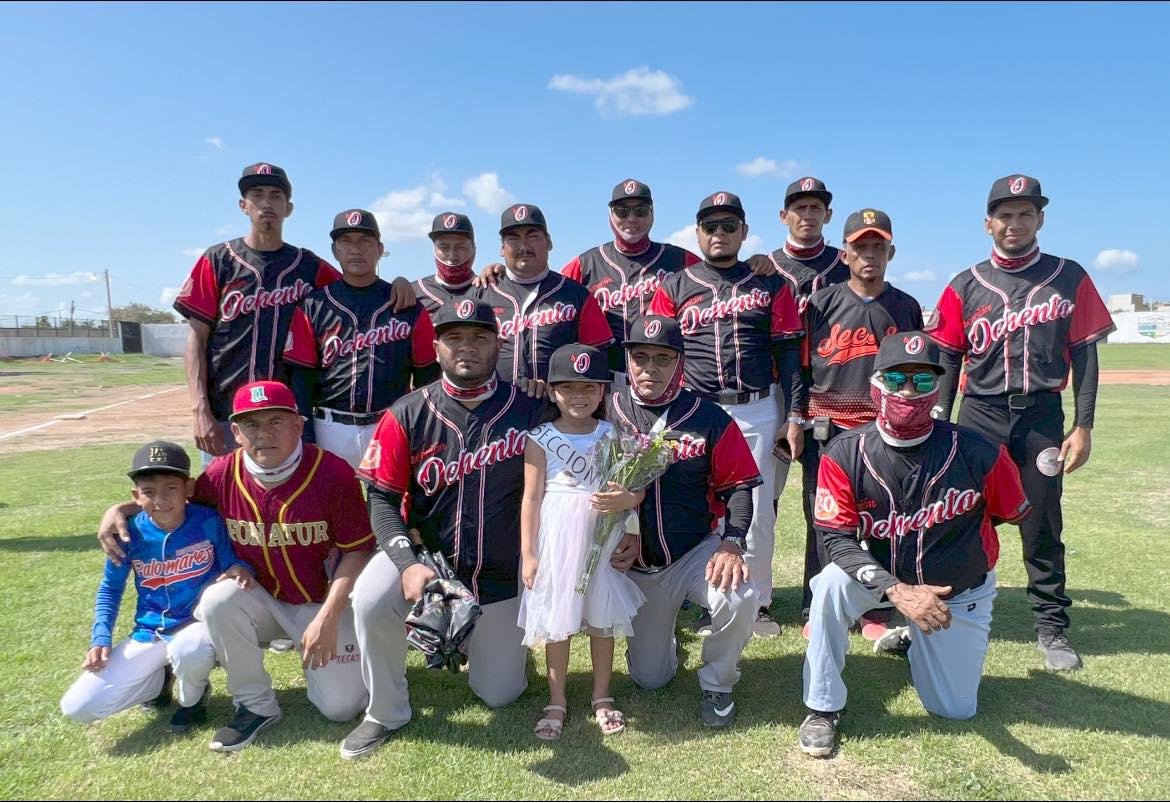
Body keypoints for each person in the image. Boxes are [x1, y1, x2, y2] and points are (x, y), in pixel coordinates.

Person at [98, 381, 376, 752]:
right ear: (236, 432)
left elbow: (356, 551)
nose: (263, 434)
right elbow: (168, 498)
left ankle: (336, 651)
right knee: (218, 598)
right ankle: (255, 705)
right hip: (258, 601)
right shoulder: (219, 475)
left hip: (320, 602)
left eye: (276, 421)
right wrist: (122, 508)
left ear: (298, 424)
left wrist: (328, 618)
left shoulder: (332, 472)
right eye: (251, 425)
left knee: (341, 708)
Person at [342, 300, 558, 760]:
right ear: (436, 347)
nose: (467, 347)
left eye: (479, 337)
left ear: (499, 345)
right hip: (429, 560)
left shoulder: (533, 410)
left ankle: (476, 643)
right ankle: (385, 711)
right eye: (454, 337)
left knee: (500, 694)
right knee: (369, 598)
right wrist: (405, 562)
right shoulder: (406, 412)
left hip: (501, 572)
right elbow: (380, 498)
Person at [798, 333, 1029, 757]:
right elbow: (835, 537)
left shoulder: (979, 451)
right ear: (875, 385)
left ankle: (912, 640)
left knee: (954, 710)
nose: (908, 392)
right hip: (889, 579)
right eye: (897, 379)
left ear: (937, 390)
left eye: (922, 382)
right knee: (830, 583)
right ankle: (822, 707)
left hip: (957, 593)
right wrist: (897, 591)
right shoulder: (845, 452)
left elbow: (1008, 513)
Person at [928, 175, 1115, 672]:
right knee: (961, 514)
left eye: (1025, 213)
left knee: (1042, 521)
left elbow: (1085, 355)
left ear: (1040, 220)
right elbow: (947, 359)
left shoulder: (1067, 276)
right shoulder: (965, 284)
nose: (1015, 223)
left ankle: (1051, 626)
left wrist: (1084, 424)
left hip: (1040, 417)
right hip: (979, 416)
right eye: (1005, 215)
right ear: (988, 223)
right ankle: (953, 609)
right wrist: (939, 422)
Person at [172, 162, 416, 465]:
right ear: (243, 205)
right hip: (226, 412)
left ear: (288, 207)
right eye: (257, 194)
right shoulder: (218, 259)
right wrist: (199, 409)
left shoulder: (308, 266)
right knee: (225, 502)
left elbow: (358, 286)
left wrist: (402, 283)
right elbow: (196, 336)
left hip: (284, 418)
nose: (266, 203)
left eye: (275, 195)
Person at [648, 192, 804, 638]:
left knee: (755, 511)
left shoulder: (771, 284)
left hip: (756, 406)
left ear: (744, 231)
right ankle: (705, 597)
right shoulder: (675, 286)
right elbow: (659, 354)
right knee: (700, 506)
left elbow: (790, 354)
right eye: (711, 226)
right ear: (697, 233)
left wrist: (794, 416)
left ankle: (756, 604)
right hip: (696, 408)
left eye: (729, 226)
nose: (719, 234)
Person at [610, 315, 762, 727]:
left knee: (739, 594)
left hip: (695, 550)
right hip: (635, 565)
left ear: (679, 362)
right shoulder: (607, 410)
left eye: (662, 358)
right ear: (627, 361)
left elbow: (741, 486)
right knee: (650, 679)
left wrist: (732, 542)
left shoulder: (708, 417)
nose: (649, 368)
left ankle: (718, 683)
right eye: (640, 357)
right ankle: (665, 639)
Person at [796, 209, 923, 645]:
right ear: (845, 253)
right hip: (827, 431)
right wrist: (797, 418)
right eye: (860, 247)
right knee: (823, 520)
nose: (869, 255)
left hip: (882, 431)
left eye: (877, 247)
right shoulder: (820, 303)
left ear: (891, 252)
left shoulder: (904, 306)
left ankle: (876, 606)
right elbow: (801, 367)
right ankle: (817, 603)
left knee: (884, 519)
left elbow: (916, 369)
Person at [62, 441, 251, 733]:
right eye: (149, 491)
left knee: (192, 650)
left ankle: (192, 701)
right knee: (78, 706)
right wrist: (100, 638)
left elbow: (232, 563)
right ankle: (157, 682)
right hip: (150, 632)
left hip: (196, 626)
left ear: (188, 488)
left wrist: (240, 569)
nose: (160, 499)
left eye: (170, 488)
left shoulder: (207, 520)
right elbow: (110, 591)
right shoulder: (128, 532)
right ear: (136, 496)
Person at [519, 343, 647, 740]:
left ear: (603, 392)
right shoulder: (540, 437)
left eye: (589, 388)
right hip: (557, 536)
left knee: (602, 616)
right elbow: (532, 497)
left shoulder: (614, 433)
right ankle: (556, 699)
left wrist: (630, 511)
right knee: (558, 617)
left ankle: (602, 695)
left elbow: (632, 488)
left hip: (601, 534)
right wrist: (528, 552)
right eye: (569, 388)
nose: (579, 396)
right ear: (553, 391)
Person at [284, 209, 439, 467]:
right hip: (330, 426)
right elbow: (301, 378)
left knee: (391, 504)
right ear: (334, 251)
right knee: (331, 505)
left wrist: (419, 426)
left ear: (379, 249)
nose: (356, 249)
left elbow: (426, 375)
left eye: (365, 241)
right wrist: (306, 431)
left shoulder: (405, 305)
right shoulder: (313, 305)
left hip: (389, 423)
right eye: (346, 241)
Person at [745, 177, 849, 511]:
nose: (807, 214)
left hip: (829, 387)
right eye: (799, 207)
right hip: (777, 387)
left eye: (815, 207)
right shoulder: (761, 268)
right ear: (783, 215)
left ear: (828, 215)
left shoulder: (846, 265)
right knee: (766, 493)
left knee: (826, 493)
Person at [561, 179, 701, 383]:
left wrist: (756, 265)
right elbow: (548, 290)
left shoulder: (681, 260)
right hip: (608, 381)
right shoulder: (585, 264)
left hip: (666, 379)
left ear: (652, 213)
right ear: (610, 215)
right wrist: (501, 276)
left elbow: (718, 278)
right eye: (622, 212)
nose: (632, 218)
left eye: (641, 211)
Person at [475, 203, 614, 397]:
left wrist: (558, 385)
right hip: (493, 406)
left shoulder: (576, 294)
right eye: (513, 238)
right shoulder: (481, 293)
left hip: (557, 410)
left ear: (549, 242)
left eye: (532, 236)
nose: (523, 246)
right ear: (502, 248)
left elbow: (598, 360)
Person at [416, 212, 480, 313]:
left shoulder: (488, 289)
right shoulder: (413, 292)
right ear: (434, 249)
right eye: (444, 247)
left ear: (474, 249)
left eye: (461, 247)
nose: (452, 255)